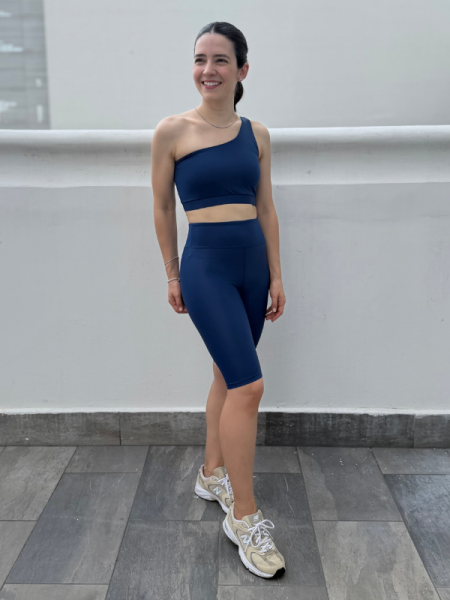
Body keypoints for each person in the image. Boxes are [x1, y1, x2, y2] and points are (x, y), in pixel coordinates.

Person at [151, 21, 287, 579]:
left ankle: (212, 473)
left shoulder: (258, 134)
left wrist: (276, 275)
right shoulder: (172, 131)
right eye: (200, 59)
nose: (208, 70)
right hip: (206, 266)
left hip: (252, 267)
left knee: (228, 378)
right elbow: (162, 207)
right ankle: (245, 516)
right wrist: (172, 273)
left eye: (220, 60)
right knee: (249, 386)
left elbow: (266, 207)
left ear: (242, 70)